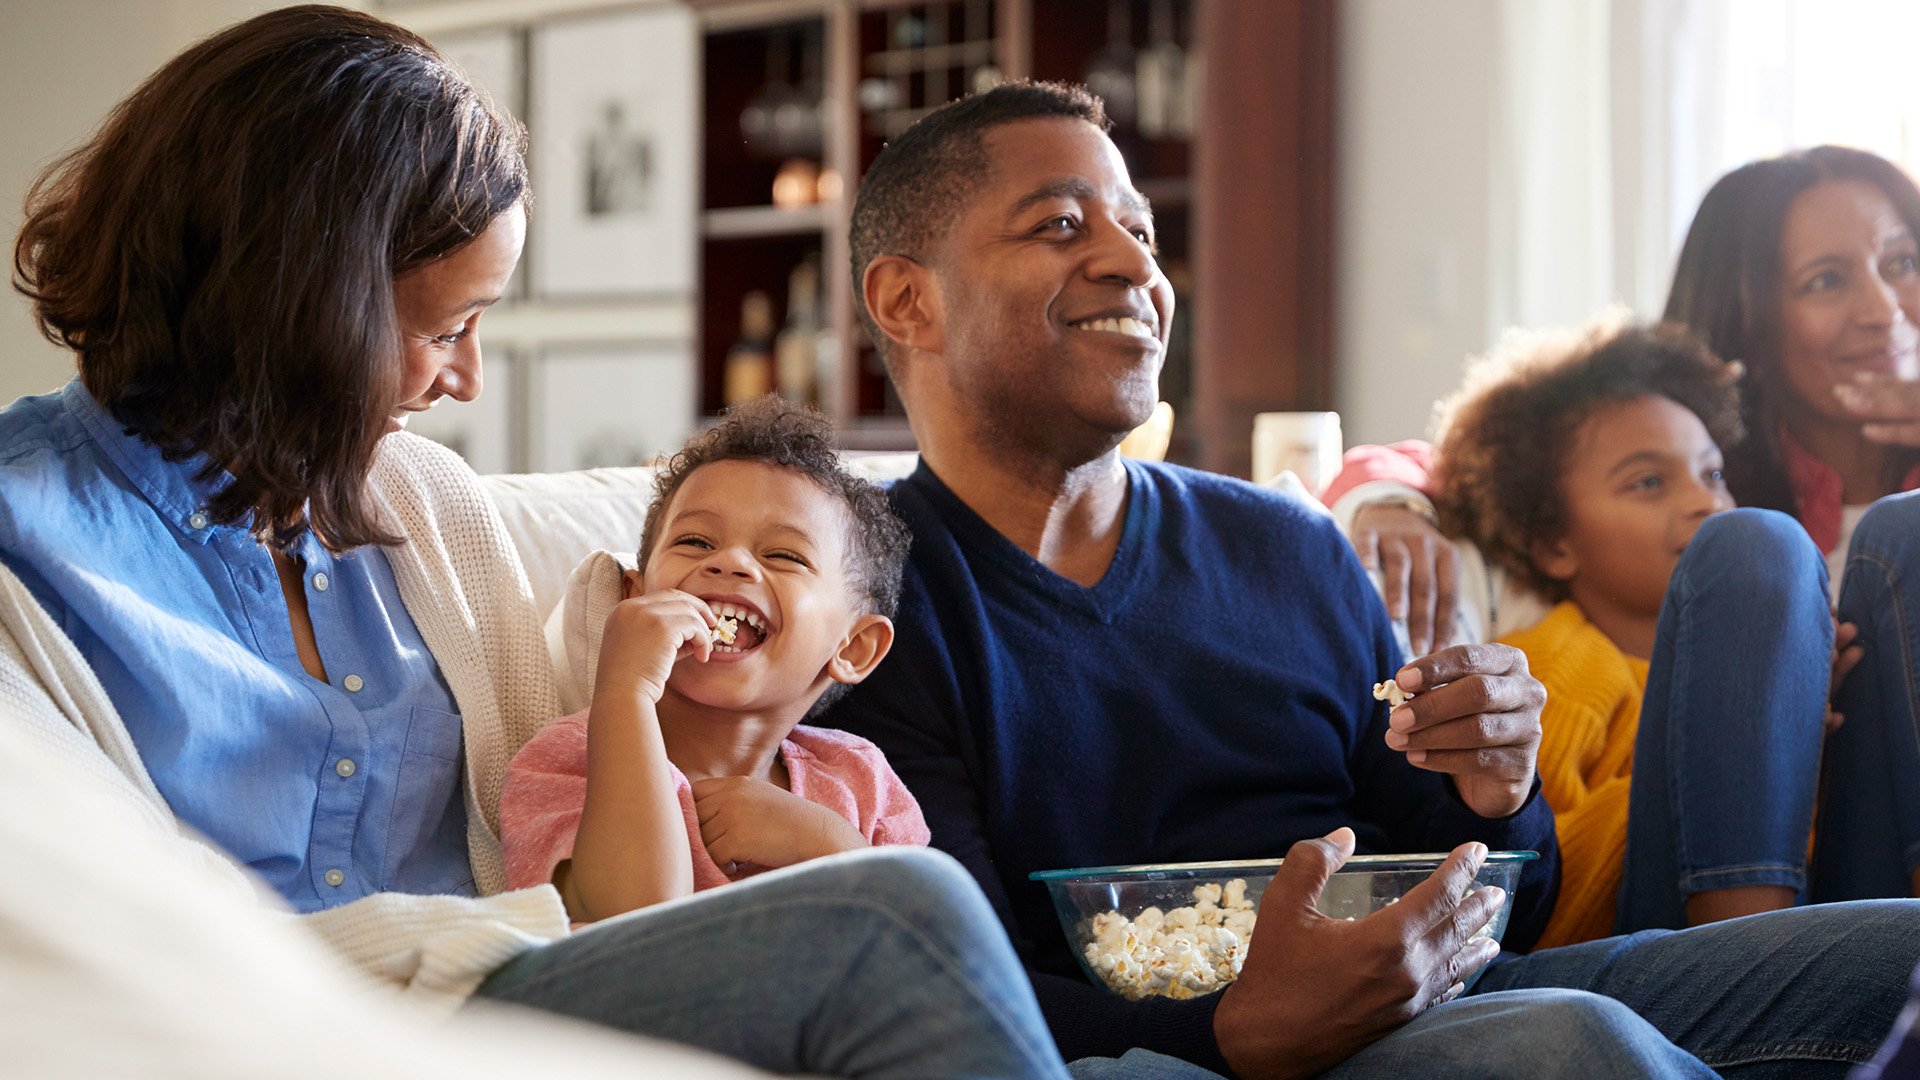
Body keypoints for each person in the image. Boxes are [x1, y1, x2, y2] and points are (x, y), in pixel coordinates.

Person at [1, 8, 1070, 1078]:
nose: (467, 379)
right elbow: (93, 939)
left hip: (524, 981)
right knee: (889, 921)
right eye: (443, 329)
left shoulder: (426, 504)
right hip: (274, 1024)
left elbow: (570, 859)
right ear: (298, 304)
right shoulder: (27, 538)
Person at [823, 79, 1920, 1079]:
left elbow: (1513, 900)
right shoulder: (862, 603)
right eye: (1061, 225)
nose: (1135, 266)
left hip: (1456, 993)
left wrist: (1498, 791)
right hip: (1220, 1053)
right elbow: (954, 984)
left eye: (1142, 231)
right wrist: (1231, 1033)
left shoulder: (1284, 545)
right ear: (907, 300)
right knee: (1572, 1045)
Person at [1325, 146, 1920, 905]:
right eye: (1826, 280)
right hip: (1723, 904)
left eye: (1903, 262)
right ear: (1752, 324)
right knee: (1757, 547)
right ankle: (1742, 953)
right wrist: (1387, 497)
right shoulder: (1721, 540)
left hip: (1857, 875)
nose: (1884, 309)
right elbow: (1477, 469)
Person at [1426, 312, 1920, 941]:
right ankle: (1744, 960)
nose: (1704, 501)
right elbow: (1546, 902)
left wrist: (1787, 721)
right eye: (1649, 482)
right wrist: (1737, 726)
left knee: (1909, 528)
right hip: (1670, 944)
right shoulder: (1557, 666)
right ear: (1552, 542)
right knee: (1755, 544)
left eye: (1713, 473)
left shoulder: (1811, 646)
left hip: (1850, 918)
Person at [501, 398, 928, 922]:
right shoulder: (568, 760)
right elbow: (628, 929)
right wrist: (625, 689)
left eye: (784, 555)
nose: (730, 561)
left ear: (853, 647)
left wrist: (830, 847)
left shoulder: (862, 780)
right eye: (696, 541)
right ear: (633, 600)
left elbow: (938, 940)